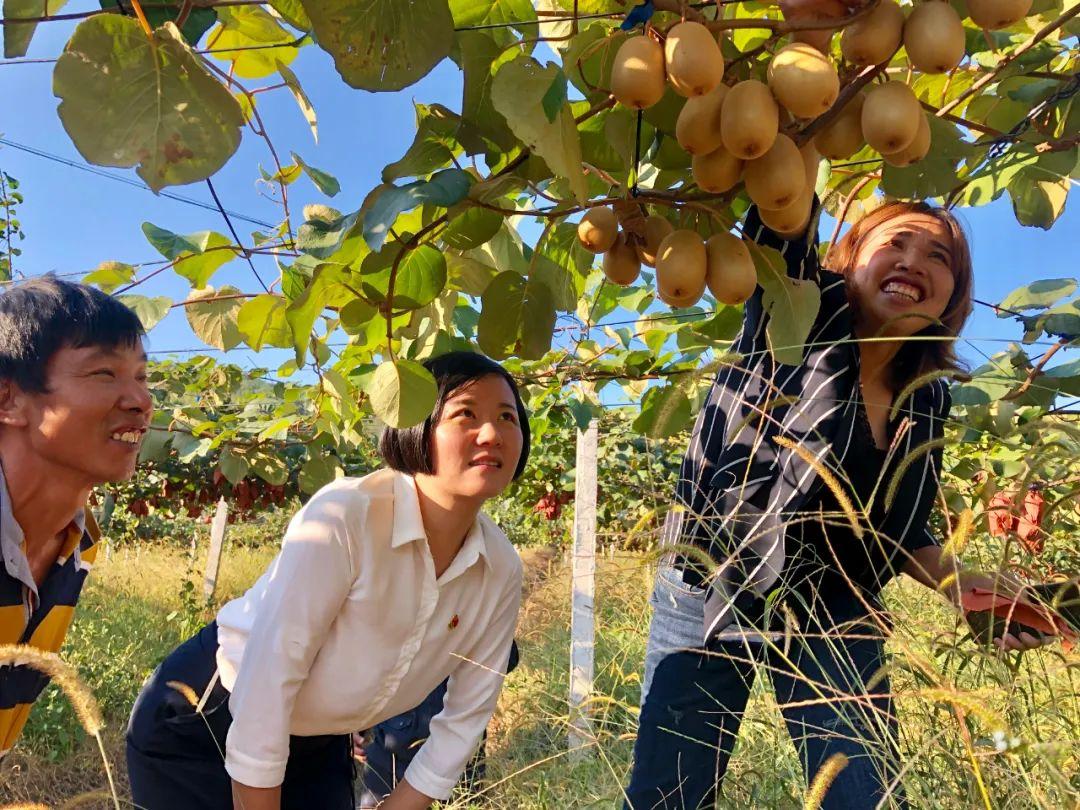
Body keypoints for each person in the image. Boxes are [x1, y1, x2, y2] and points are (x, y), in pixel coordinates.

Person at [622, 193, 1050, 810]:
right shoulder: (798, 307)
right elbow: (782, 210)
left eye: (938, 256)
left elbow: (899, 527)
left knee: (864, 796)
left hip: (834, 603)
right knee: (671, 794)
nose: (912, 262)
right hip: (716, 579)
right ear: (849, 258)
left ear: (952, 293)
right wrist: (817, 116)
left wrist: (968, 586)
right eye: (895, 242)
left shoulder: (928, 397)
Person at [126, 351, 529, 810]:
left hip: (317, 741)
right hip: (205, 719)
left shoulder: (500, 569)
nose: (492, 433)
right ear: (416, 425)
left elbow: (465, 717)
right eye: (466, 414)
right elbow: (267, 687)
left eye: (507, 417)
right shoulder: (348, 515)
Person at [0, 277, 150, 756]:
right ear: (8, 400)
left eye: (142, 378)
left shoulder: (79, 545)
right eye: (103, 373)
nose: (140, 401)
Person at [357, 640, 520, 808]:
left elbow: (504, 657)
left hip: (455, 762)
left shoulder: (470, 618)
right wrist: (352, 729)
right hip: (387, 759)